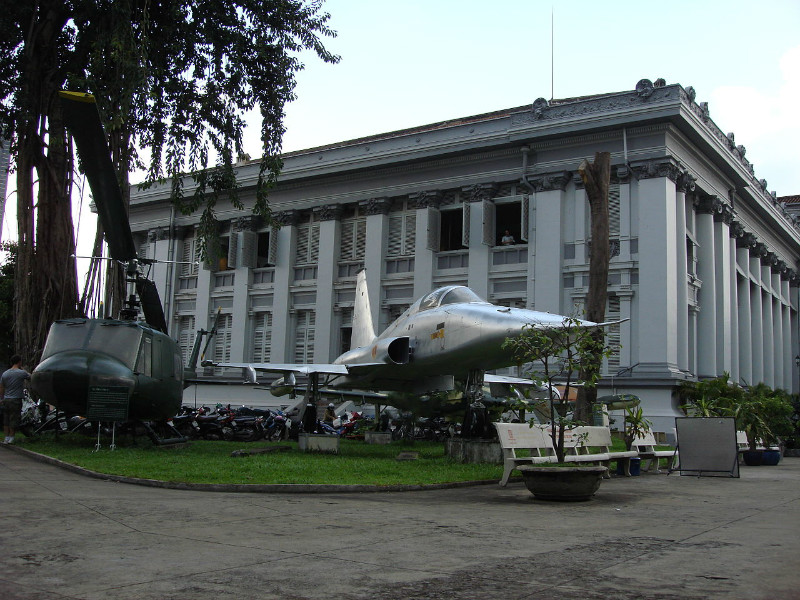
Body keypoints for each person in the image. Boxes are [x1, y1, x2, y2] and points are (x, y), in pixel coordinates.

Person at [0, 355, 30, 444]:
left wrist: (2, 398)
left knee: (6, 418)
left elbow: (1, 386)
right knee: (14, 418)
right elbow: (31, 377)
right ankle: (11, 437)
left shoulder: (5, 373)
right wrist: (24, 369)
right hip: (16, 399)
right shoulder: (21, 373)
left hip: (6, 399)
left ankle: (6, 437)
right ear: (19, 362)